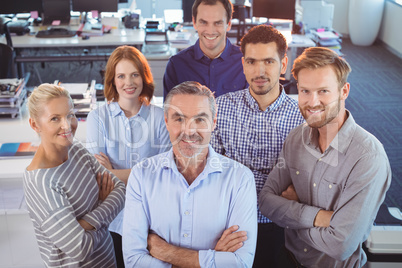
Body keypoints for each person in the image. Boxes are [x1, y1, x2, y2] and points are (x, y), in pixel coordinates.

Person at [259, 47, 392, 267]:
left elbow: (341, 245)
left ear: (344, 91)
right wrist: (322, 218)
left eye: (323, 91)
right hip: (288, 259)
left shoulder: (368, 158)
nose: (312, 102)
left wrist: (293, 216)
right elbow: (266, 201)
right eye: (305, 91)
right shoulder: (296, 138)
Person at [123, 81, 258, 267]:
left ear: (214, 122)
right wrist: (212, 259)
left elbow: (240, 263)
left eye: (200, 119)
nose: (189, 131)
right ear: (166, 121)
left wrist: (167, 253)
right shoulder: (141, 176)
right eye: (179, 118)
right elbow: (133, 261)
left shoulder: (240, 179)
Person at [210, 25, 305, 267]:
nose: (259, 71)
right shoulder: (220, 108)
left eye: (269, 62)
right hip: (229, 222)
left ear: (283, 65)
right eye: (251, 62)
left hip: (280, 226)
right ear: (242, 65)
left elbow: (304, 184)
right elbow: (210, 171)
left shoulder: (302, 118)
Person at [86, 45, 171, 267]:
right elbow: (97, 175)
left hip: (153, 218)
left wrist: (113, 173)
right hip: (114, 218)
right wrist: (144, 171)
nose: (129, 82)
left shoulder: (159, 117)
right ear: (113, 81)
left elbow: (164, 172)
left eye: (135, 74)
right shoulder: (98, 118)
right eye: (121, 76)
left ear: (144, 77)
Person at [23, 84, 126, 267]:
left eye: (70, 115)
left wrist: (84, 224)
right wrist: (103, 204)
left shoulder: (75, 148)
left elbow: (120, 191)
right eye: (55, 119)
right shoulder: (41, 183)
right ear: (34, 124)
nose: (67, 125)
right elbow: (80, 249)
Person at [163, 0, 247, 98]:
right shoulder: (176, 65)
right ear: (194, 22)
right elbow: (170, 111)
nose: (210, 31)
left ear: (228, 24)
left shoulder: (246, 62)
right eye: (203, 22)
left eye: (218, 23)